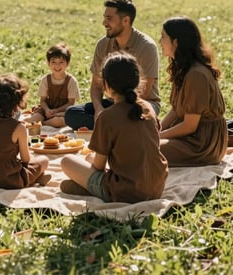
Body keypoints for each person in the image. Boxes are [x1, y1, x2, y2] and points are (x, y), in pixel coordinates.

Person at [60, 53, 168, 201]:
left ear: (106, 85)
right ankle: (86, 188)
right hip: (157, 187)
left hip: (125, 192)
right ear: (137, 81)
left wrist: (90, 158)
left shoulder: (107, 117)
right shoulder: (148, 107)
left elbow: (99, 166)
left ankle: (93, 190)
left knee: (67, 161)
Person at [64, 0, 160, 130]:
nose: (104, 22)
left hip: (140, 104)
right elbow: (96, 85)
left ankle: (109, 126)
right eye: (104, 17)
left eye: (109, 18)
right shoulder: (103, 44)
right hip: (112, 103)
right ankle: (114, 126)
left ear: (126, 20)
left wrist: (113, 113)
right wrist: (99, 110)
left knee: (134, 117)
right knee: (72, 114)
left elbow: (144, 91)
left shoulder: (146, 46)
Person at [159, 16, 227, 166]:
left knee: (144, 150)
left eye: (163, 37)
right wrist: (157, 131)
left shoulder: (196, 75)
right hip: (190, 136)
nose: (160, 42)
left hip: (202, 143)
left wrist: (158, 137)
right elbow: (176, 111)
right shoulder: (183, 68)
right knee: (140, 145)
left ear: (176, 42)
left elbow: (190, 126)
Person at [0, 74, 51, 188]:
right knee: (43, 160)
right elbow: (25, 159)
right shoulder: (19, 128)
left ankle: (37, 178)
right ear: (18, 101)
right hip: (7, 178)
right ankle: (35, 178)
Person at [24, 43, 80, 128]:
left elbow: (71, 103)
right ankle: (38, 120)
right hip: (47, 109)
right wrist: (47, 110)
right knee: (35, 116)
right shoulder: (45, 79)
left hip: (62, 112)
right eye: (53, 62)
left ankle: (44, 123)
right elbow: (42, 100)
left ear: (68, 63)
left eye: (61, 62)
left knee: (61, 120)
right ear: (48, 63)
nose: (57, 65)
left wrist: (56, 111)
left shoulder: (71, 81)